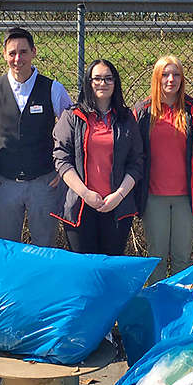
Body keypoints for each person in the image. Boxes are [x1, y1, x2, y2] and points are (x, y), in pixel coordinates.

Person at [0, 27, 73, 245]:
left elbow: (73, 131)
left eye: (23, 52)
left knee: (45, 248)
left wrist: (65, 168)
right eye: (12, 53)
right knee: (6, 248)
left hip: (45, 183)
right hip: (3, 182)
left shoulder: (53, 89)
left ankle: (42, 281)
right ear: (4, 55)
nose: (18, 59)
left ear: (34, 52)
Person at [52, 59, 143, 255]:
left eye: (108, 79)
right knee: (83, 268)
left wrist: (118, 196)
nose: (103, 83)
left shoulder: (127, 118)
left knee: (110, 268)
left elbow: (136, 163)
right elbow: (61, 158)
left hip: (117, 206)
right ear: (88, 82)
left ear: (115, 82)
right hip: (80, 205)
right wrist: (85, 193)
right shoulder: (72, 116)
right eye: (97, 79)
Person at [133, 55, 193, 283]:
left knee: (182, 258)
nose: (171, 79)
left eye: (176, 74)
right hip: (154, 197)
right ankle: (156, 310)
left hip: (186, 197)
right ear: (156, 78)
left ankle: (180, 311)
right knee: (156, 257)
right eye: (165, 74)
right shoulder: (143, 111)